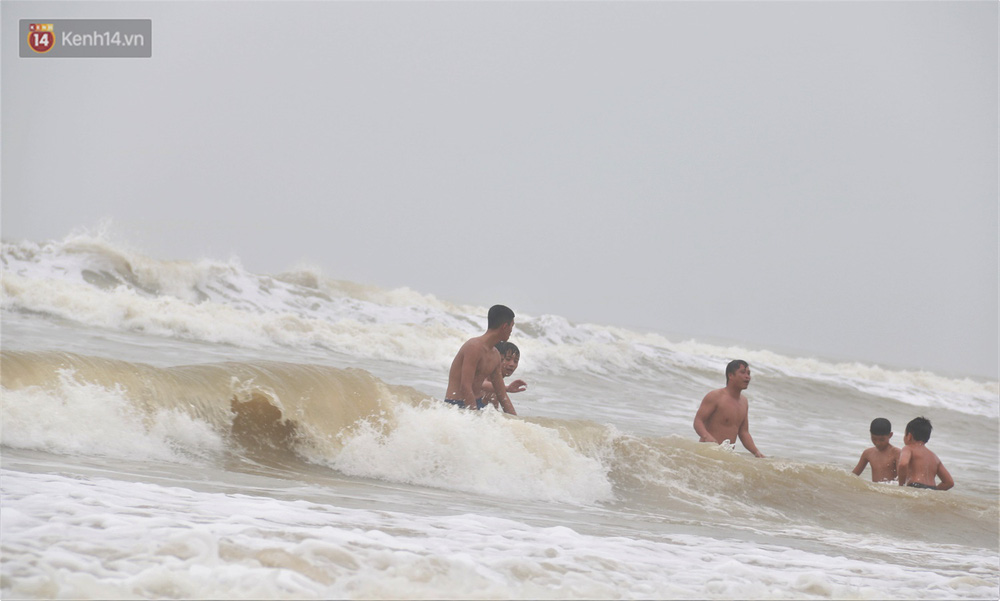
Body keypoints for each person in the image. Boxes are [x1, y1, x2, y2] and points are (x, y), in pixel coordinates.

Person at [444, 305, 516, 414]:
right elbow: (465, 387)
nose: (511, 331)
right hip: (455, 405)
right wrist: (475, 418)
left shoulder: (495, 355)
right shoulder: (474, 347)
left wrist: (515, 421)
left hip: (478, 405)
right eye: (512, 326)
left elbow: (502, 395)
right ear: (505, 326)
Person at [692, 359, 765, 457]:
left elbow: (744, 433)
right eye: (743, 372)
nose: (747, 376)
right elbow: (698, 421)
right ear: (730, 375)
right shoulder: (715, 396)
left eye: (748, 373)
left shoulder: (744, 402)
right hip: (707, 454)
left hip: (726, 457)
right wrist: (707, 437)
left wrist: (756, 452)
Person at [897, 416, 954, 490]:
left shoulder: (908, 448)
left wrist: (901, 485)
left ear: (909, 436)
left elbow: (903, 464)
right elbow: (949, 482)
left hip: (915, 486)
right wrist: (934, 491)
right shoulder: (934, 457)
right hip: (931, 488)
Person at [481, 341, 526, 414]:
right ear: (495, 358)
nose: (512, 364)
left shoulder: (499, 386)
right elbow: (480, 384)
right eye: (508, 359)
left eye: (516, 361)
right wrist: (506, 388)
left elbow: (512, 415)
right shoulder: (483, 375)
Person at [852, 417, 900, 482]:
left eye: (882, 440)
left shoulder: (896, 453)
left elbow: (901, 478)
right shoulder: (868, 453)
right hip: (874, 491)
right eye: (874, 439)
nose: (878, 443)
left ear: (890, 435)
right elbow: (854, 475)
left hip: (889, 490)